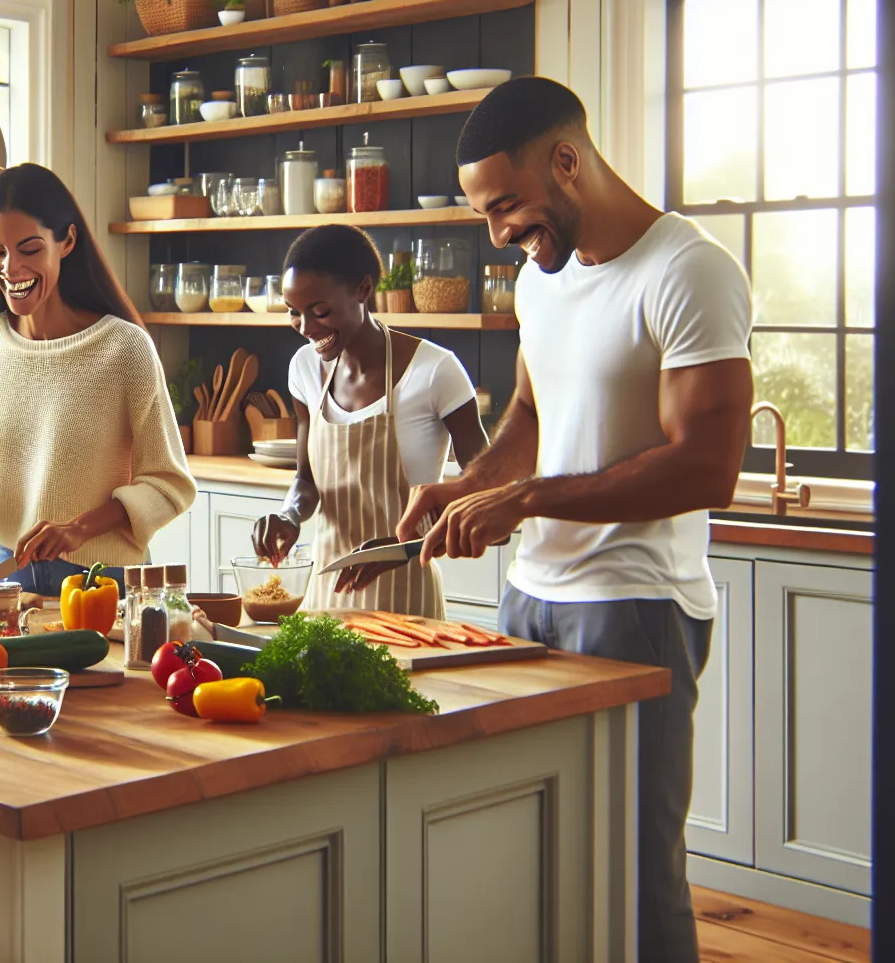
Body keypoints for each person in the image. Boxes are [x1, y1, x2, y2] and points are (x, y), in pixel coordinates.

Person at [396, 77, 752, 961]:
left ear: (568, 161)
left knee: (635, 866)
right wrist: (464, 485)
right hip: (529, 602)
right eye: (485, 214)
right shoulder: (540, 280)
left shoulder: (688, 270)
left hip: (635, 606)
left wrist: (529, 499)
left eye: (507, 206)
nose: (500, 232)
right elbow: (530, 413)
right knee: (539, 857)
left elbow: (710, 465)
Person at [0, 163, 196, 596]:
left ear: (67, 241)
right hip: (8, 571)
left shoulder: (124, 348)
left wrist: (77, 529)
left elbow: (168, 482)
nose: (9, 267)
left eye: (29, 249)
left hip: (102, 577)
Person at [251, 224, 487, 613]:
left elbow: (486, 496)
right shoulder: (305, 369)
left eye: (320, 311)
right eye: (295, 313)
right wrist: (289, 515)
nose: (307, 329)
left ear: (363, 289)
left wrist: (406, 545)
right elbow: (306, 481)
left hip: (408, 600)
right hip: (325, 599)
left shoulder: (434, 371)